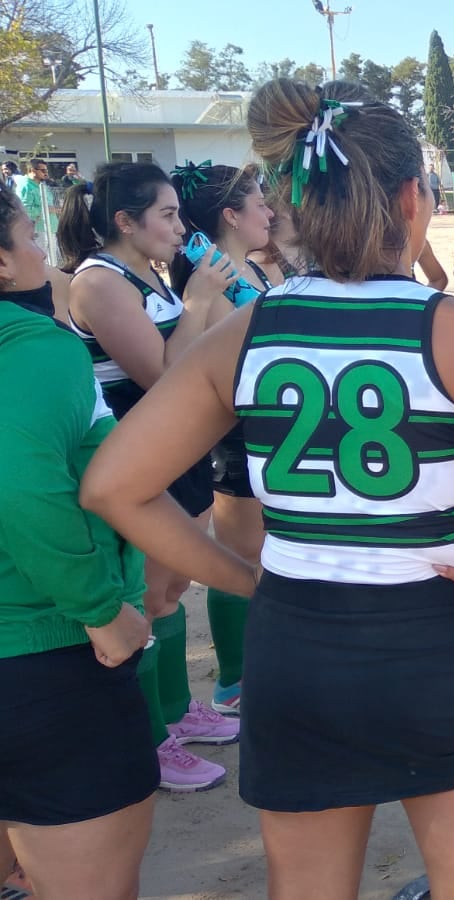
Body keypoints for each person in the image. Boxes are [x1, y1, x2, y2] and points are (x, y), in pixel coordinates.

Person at [80, 78, 454, 897]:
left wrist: (249, 580)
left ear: (296, 204)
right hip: (442, 644)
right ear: (413, 198)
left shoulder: (251, 331)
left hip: (298, 648)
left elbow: (113, 487)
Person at [58, 162, 241, 792]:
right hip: (142, 453)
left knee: (170, 590)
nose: (178, 227)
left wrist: (213, 301)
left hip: (179, 453)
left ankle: (173, 710)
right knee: (148, 595)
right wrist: (196, 302)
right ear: (125, 222)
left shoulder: (151, 278)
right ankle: (149, 738)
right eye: (165, 215)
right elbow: (163, 379)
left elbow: (205, 356)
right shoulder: (100, 283)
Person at [0, 183, 157, 900]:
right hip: (46, 655)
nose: (41, 249)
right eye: (27, 233)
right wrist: (100, 609)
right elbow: (22, 488)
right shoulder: (31, 350)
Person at [170, 160, 280, 717]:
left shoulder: (260, 272)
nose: (270, 211)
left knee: (273, 557)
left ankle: (260, 665)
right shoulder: (211, 281)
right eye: (259, 203)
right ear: (231, 216)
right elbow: (211, 368)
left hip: (280, 431)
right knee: (239, 559)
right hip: (238, 438)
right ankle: (233, 681)